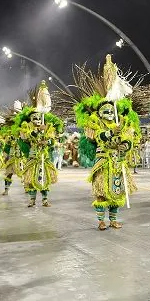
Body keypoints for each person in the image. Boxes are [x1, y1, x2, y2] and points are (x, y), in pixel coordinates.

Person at [58, 55, 139, 229]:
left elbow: (129, 139)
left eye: (111, 110)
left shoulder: (122, 122)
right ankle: (102, 221)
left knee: (116, 192)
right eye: (106, 111)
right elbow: (98, 136)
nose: (110, 113)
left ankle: (114, 219)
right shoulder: (94, 123)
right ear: (100, 112)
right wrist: (111, 132)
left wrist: (125, 143)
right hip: (103, 162)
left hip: (118, 162)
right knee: (102, 192)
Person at [17, 81, 63, 207]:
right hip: (32, 158)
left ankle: (45, 200)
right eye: (34, 118)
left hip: (44, 157)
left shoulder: (48, 127)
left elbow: (52, 141)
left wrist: (46, 139)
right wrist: (37, 133)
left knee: (45, 179)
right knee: (31, 179)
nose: (37, 120)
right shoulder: (26, 128)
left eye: (39, 118)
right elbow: (26, 137)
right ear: (30, 119)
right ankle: (32, 200)